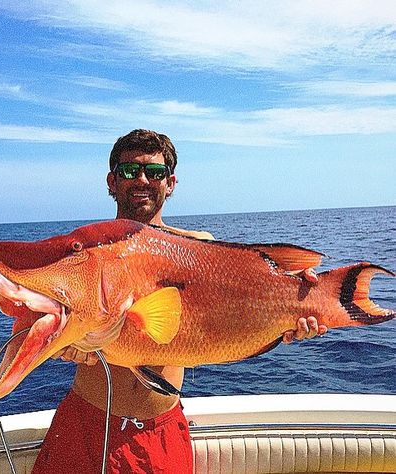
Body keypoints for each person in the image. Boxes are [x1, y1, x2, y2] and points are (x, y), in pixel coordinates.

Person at [32, 129, 327, 474]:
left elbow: (239, 314)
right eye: (129, 171)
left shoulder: (201, 250)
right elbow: (43, 318)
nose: (142, 179)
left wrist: (295, 312)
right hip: (84, 424)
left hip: (160, 431)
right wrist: (59, 345)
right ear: (112, 182)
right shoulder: (87, 251)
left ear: (170, 183)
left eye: (154, 172)